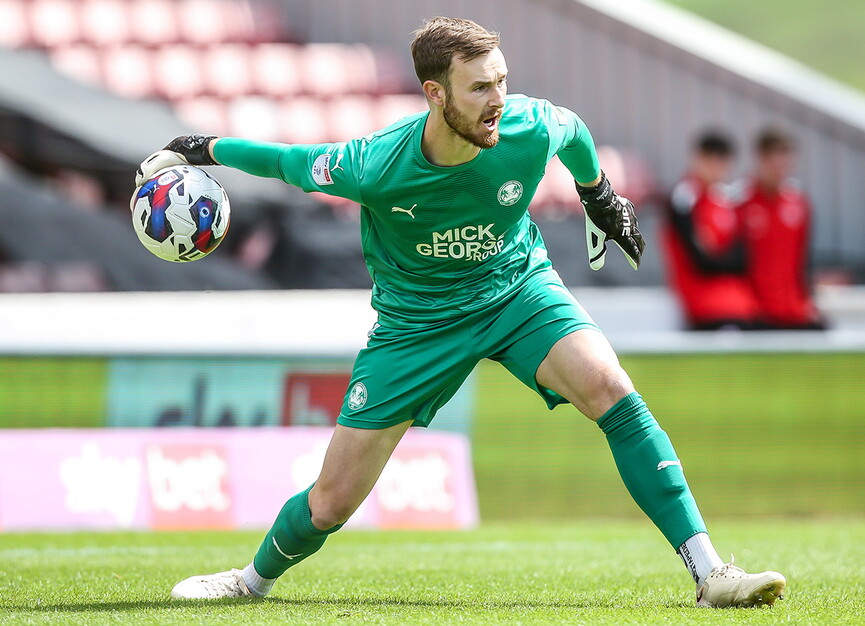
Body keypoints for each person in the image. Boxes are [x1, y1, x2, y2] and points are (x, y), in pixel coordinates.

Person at [136, 17, 785, 608]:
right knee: (331, 503)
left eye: (501, 81)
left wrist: (598, 195)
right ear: (435, 94)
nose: (498, 99)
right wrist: (198, 148)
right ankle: (251, 581)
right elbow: (285, 162)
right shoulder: (375, 165)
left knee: (610, 388)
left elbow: (573, 129)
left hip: (515, 289)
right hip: (417, 326)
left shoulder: (527, 127)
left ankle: (711, 575)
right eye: (479, 88)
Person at [661, 131, 760, 330]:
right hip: (705, 303)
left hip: (740, 301)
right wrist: (720, 258)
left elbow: (744, 257)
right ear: (697, 159)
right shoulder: (684, 198)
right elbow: (701, 261)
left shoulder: (726, 201)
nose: (716, 167)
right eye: (710, 159)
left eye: (722, 160)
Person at [734, 128, 824, 330]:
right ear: (760, 159)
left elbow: (803, 259)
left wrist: (808, 299)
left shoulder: (798, 202)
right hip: (754, 310)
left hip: (794, 308)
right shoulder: (740, 201)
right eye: (773, 161)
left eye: (785, 162)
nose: (779, 169)